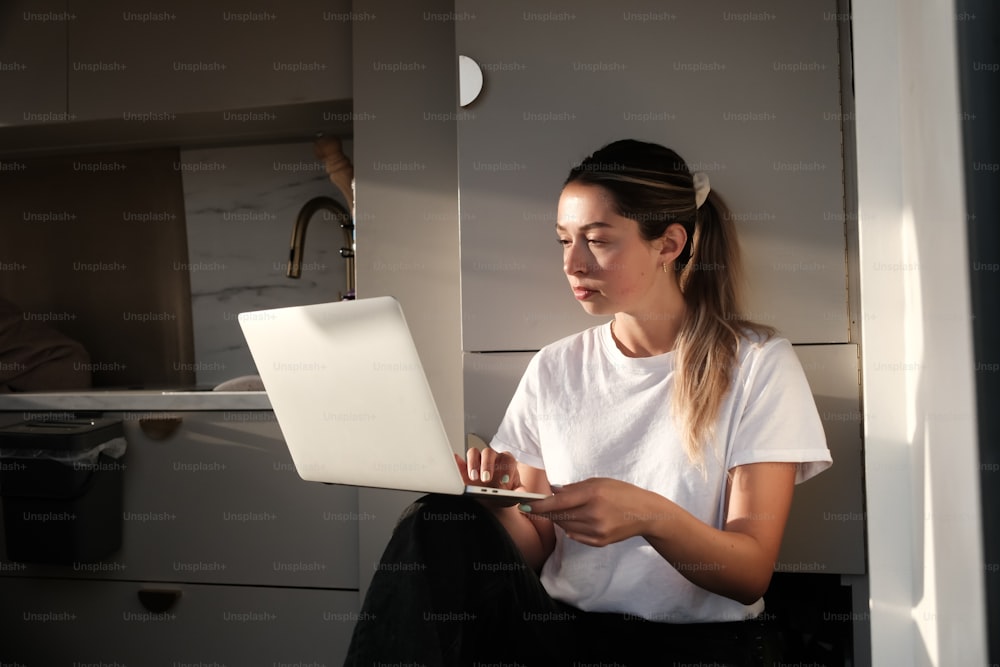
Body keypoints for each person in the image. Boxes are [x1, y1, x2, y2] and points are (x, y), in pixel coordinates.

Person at [344, 139, 832, 666]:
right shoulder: (555, 368)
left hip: (703, 647)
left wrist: (647, 514)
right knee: (435, 519)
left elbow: (749, 573)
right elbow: (537, 542)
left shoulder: (757, 364)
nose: (572, 264)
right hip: (564, 637)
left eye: (597, 241)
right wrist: (492, 504)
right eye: (563, 240)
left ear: (669, 244)